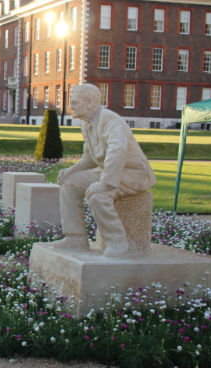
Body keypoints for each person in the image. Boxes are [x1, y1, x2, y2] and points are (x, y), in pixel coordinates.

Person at [55, 83, 156, 257]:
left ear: (89, 102)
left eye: (75, 102)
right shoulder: (87, 124)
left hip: (133, 174)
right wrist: (70, 171)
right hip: (109, 170)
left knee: (97, 193)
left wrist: (107, 182)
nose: (71, 106)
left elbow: (117, 152)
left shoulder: (110, 121)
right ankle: (76, 238)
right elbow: (89, 157)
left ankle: (117, 243)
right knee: (69, 183)